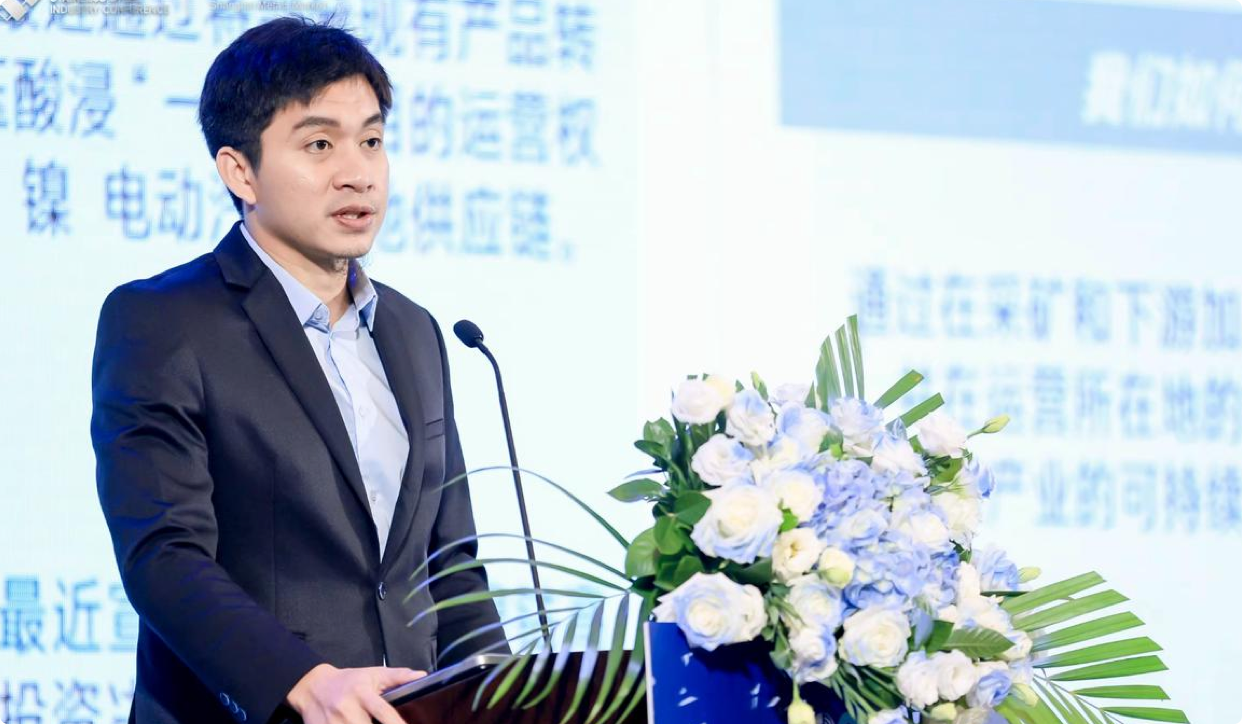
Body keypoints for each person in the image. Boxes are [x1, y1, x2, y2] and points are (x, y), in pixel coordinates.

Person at [91, 16, 506, 724]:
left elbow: (452, 566)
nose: (357, 172)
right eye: (319, 144)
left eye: (371, 141)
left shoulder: (415, 331)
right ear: (239, 171)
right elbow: (164, 556)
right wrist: (307, 682)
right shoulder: (163, 321)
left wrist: (509, 702)